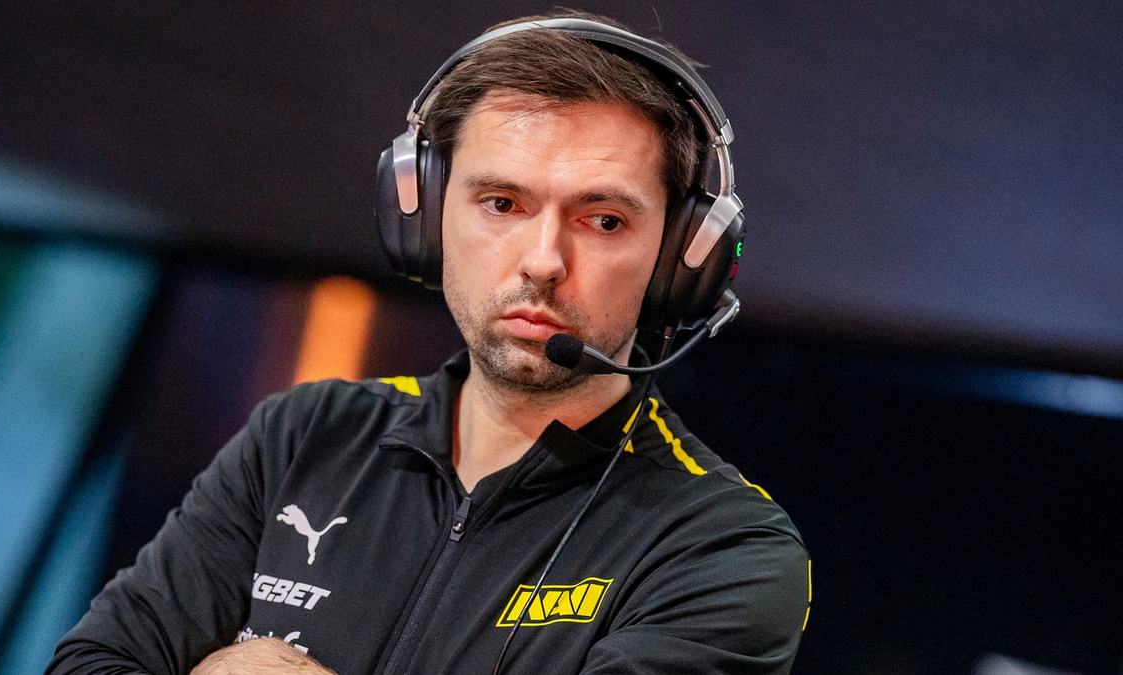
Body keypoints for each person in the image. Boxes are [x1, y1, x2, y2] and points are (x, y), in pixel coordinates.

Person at [49, 11, 811, 675]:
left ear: (681, 260)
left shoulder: (724, 548)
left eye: (604, 219)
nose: (543, 260)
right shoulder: (305, 436)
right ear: (422, 216)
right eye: (501, 202)